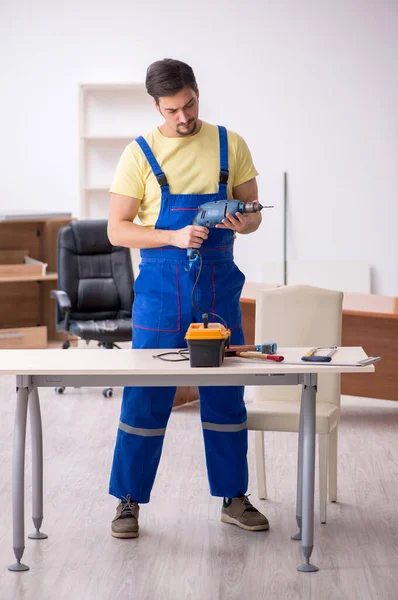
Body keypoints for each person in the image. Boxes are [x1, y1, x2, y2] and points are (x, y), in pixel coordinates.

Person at [107, 58, 269, 538]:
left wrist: (247, 221)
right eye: (172, 110)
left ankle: (233, 497)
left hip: (219, 286)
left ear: (197, 91)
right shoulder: (139, 153)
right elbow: (117, 230)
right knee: (145, 398)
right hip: (159, 291)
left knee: (225, 397)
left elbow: (254, 214)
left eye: (189, 104)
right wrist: (173, 237)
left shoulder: (229, 143)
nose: (183, 117)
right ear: (156, 106)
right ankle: (128, 501)